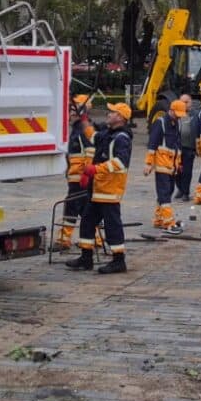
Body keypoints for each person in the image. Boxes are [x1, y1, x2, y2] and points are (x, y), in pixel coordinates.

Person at [66, 102, 134, 275]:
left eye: (112, 112)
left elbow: (120, 162)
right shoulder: (108, 135)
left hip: (110, 191)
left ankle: (119, 261)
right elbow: (92, 135)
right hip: (98, 189)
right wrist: (82, 119)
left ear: (120, 117)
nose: (108, 114)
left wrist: (95, 169)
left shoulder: (121, 138)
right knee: (87, 222)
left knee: (113, 227)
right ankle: (86, 258)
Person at [55, 95, 96, 251]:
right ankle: (96, 239)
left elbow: (91, 151)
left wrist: (87, 174)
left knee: (71, 206)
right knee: (87, 208)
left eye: (71, 110)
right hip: (77, 177)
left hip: (79, 178)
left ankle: (64, 240)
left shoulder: (82, 130)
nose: (68, 113)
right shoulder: (77, 129)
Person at [145, 97, 185, 234]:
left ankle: (158, 219)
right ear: (171, 111)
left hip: (172, 165)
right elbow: (152, 144)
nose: (178, 117)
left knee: (168, 191)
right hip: (162, 164)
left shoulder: (177, 123)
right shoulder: (160, 123)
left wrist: (179, 163)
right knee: (164, 193)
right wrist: (149, 163)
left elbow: (177, 144)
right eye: (177, 114)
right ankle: (168, 222)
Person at [174, 94, 197, 205]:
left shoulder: (195, 115)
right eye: (182, 102)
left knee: (187, 172)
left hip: (189, 147)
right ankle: (180, 188)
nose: (184, 104)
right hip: (177, 148)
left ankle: (185, 193)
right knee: (176, 170)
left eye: (186, 102)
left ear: (191, 102)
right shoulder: (176, 115)